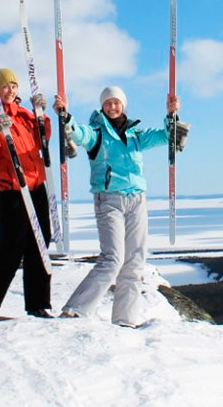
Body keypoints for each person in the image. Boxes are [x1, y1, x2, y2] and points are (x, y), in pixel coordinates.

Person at [54, 86, 186, 327]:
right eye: (108, 103)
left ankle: (125, 320)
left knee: (135, 261)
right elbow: (78, 134)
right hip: (109, 199)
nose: (112, 107)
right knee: (112, 258)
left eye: (116, 103)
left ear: (123, 105)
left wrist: (171, 115)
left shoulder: (135, 134)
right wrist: (66, 117)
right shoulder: (97, 133)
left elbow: (165, 136)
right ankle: (75, 310)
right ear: (102, 107)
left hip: (137, 198)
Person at [0, 68, 54, 318]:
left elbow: (41, 143)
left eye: (14, 86)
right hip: (12, 192)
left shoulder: (24, 116)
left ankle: (38, 304)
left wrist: (41, 115)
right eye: (5, 86)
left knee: (40, 244)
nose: (11, 90)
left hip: (36, 187)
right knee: (11, 249)